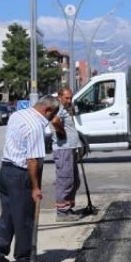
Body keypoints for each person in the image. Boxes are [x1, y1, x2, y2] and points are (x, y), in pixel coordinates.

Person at [0, 95, 59, 262]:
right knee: (24, 217)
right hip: (20, 175)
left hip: (5, 171)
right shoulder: (35, 127)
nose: (53, 118)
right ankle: (24, 259)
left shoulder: (18, 115)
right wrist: (35, 187)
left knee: (9, 213)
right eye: (53, 114)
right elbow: (32, 160)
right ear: (47, 110)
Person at [51, 87, 83, 222]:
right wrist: (63, 133)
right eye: (67, 98)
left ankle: (68, 207)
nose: (69, 100)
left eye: (70, 98)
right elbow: (55, 121)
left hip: (70, 149)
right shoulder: (59, 107)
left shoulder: (66, 108)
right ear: (60, 97)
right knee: (65, 180)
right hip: (63, 149)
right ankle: (62, 212)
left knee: (74, 181)